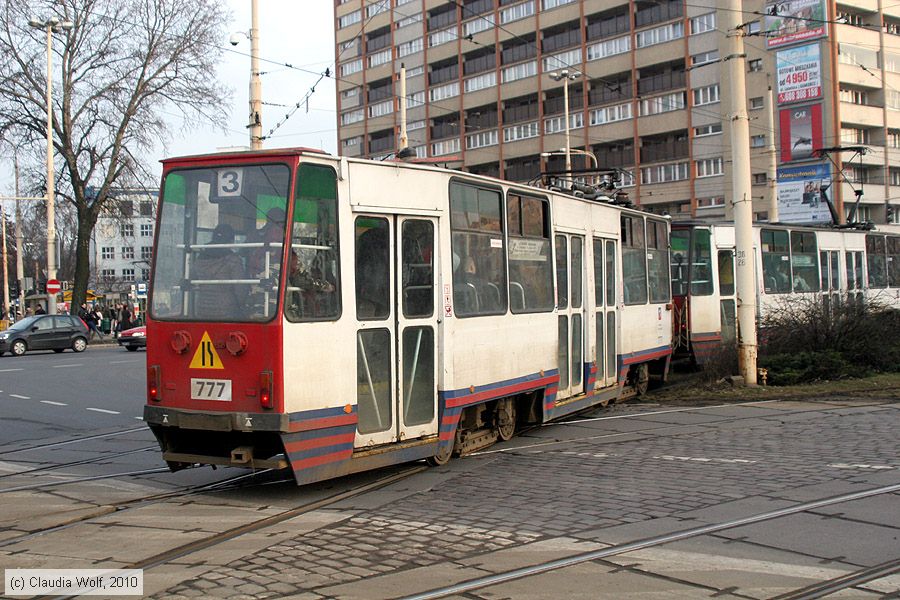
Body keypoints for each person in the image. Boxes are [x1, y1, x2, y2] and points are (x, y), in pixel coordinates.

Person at [193, 223, 247, 319]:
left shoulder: (199, 259)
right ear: (231, 240)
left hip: (202, 310)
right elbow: (240, 290)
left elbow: (191, 280)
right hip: (227, 311)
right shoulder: (233, 260)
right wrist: (243, 306)